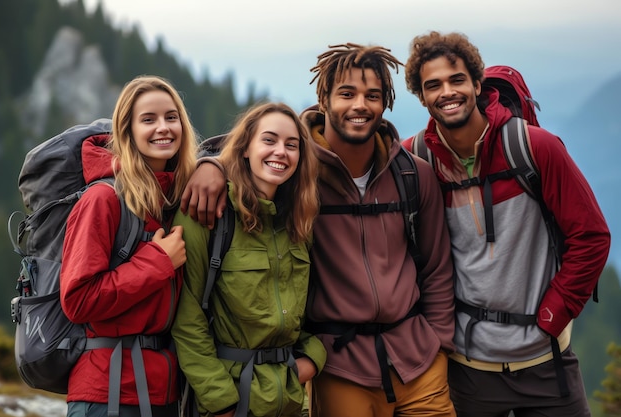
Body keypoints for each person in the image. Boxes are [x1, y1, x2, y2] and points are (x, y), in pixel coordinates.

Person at [180, 44, 456, 417]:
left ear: (385, 102)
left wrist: (439, 344)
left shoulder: (412, 176)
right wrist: (211, 164)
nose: (360, 105)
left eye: (372, 96)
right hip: (342, 366)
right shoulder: (300, 176)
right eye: (346, 93)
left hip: (417, 360)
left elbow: (437, 268)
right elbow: (257, 151)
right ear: (323, 98)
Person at [402, 31, 611, 416]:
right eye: (433, 85)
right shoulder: (415, 163)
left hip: (546, 362)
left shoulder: (535, 147)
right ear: (421, 96)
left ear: (477, 83)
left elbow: (591, 236)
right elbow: (360, 180)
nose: (447, 92)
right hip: (468, 369)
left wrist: (553, 314)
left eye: (457, 80)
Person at [171, 102, 326, 417]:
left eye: (291, 145)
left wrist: (310, 360)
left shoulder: (299, 222)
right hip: (229, 403)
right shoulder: (210, 213)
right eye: (269, 140)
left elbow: (310, 312)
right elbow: (186, 319)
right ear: (245, 149)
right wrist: (222, 402)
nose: (280, 152)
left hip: (291, 402)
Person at [60, 75, 198, 417]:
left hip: (163, 392)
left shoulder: (172, 201)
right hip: (106, 394)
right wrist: (158, 262)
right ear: (128, 132)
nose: (163, 128)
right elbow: (78, 300)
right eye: (148, 120)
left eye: (171, 117)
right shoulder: (103, 199)